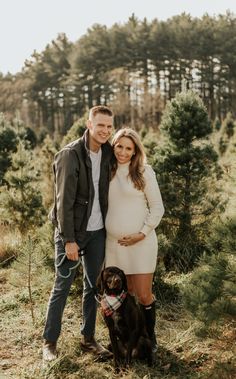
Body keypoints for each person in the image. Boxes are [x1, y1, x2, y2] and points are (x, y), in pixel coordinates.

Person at [43, 105, 114, 361]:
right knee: (62, 286)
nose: (105, 130)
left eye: (109, 126)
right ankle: (49, 343)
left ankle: (88, 339)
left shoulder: (107, 152)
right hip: (72, 233)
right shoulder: (70, 155)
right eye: (100, 125)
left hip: (97, 233)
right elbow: (62, 203)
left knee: (93, 288)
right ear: (89, 124)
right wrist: (69, 240)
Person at [105, 128, 164, 353]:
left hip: (141, 244)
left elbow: (158, 208)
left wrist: (142, 232)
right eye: (119, 146)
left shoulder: (143, 171)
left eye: (128, 148)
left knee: (143, 294)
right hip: (114, 245)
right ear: (113, 145)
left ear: (135, 150)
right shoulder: (106, 170)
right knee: (122, 296)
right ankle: (126, 339)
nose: (123, 152)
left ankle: (149, 338)